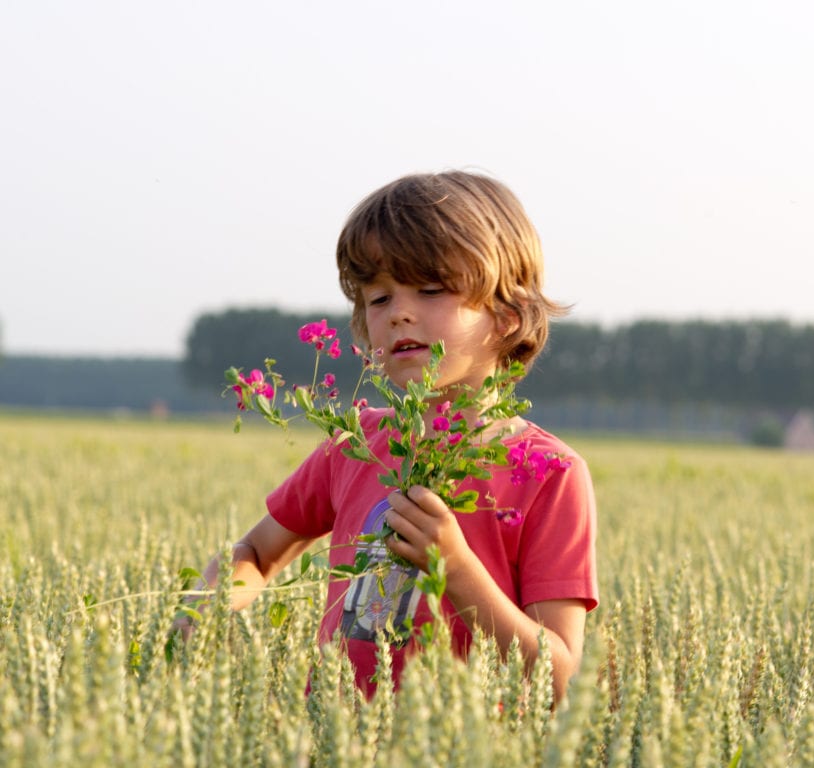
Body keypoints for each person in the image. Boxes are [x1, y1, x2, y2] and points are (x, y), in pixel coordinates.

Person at [178, 170, 598, 703]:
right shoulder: (354, 442)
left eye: (430, 289)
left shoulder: (550, 474)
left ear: (508, 316)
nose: (399, 312)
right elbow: (259, 554)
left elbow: (561, 679)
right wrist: (206, 608)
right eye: (378, 299)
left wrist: (457, 570)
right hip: (335, 737)